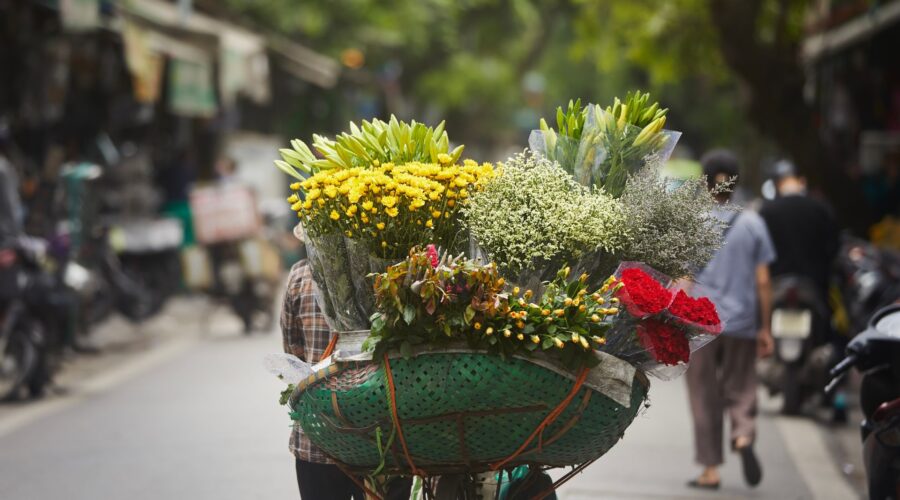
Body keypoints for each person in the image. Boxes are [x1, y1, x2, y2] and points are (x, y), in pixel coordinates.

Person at [281, 224, 412, 499]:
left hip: (318, 438)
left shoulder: (299, 276)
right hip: (381, 436)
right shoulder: (389, 275)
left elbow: (292, 353)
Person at [686, 149, 776, 490]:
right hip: (742, 321)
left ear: (705, 181)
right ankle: (742, 434)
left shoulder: (694, 222)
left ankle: (710, 470)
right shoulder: (753, 222)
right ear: (736, 181)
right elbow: (763, 281)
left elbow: (684, 276)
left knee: (703, 393)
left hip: (700, 321)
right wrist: (765, 328)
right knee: (742, 385)